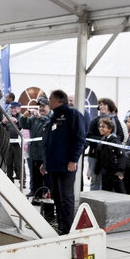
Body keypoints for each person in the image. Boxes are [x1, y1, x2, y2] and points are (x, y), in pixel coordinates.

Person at [41, 89, 85, 235]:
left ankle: (68, 228)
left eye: (51, 98)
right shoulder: (53, 117)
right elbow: (49, 143)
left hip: (66, 165)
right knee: (57, 198)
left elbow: (79, 139)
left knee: (66, 198)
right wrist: (44, 163)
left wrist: (73, 159)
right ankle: (61, 226)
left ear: (59, 100)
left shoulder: (72, 115)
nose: (49, 101)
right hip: (53, 165)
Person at [85, 98, 125, 191]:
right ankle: (94, 202)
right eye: (100, 105)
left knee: (109, 182)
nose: (102, 106)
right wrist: (103, 140)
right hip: (95, 155)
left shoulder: (115, 119)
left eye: (104, 104)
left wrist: (111, 140)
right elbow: (89, 136)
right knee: (95, 180)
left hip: (111, 156)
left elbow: (120, 136)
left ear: (109, 106)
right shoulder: (95, 120)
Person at [20, 96, 51, 199]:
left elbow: (49, 122)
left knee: (46, 178)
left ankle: (46, 197)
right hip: (34, 153)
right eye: (40, 106)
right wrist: (24, 117)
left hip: (46, 155)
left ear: (49, 107)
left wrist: (40, 117)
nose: (41, 108)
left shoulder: (51, 117)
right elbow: (24, 125)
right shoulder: (34, 118)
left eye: (43, 106)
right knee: (36, 177)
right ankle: (37, 197)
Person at [93, 117, 126, 193]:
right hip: (105, 173)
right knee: (106, 192)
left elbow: (122, 156)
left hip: (115, 173)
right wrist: (96, 172)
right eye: (100, 126)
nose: (100, 128)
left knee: (120, 192)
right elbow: (98, 159)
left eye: (103, 127)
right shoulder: (102, 141)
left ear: (110, 129)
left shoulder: (115, 141)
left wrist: (120, 171)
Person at [2, 101, 24, 186]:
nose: (13, 110)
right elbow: (2, 128)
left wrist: (18, 122)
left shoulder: (22, 118)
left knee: (19, 163)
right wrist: (3, 122)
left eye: (15, 108)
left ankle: (22, 180)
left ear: (19, 109)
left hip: (18, 144)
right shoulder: (7, 117)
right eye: (12, 108)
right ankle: (10, 180)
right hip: (9, 144)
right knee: (9, 163)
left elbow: (24, 128)